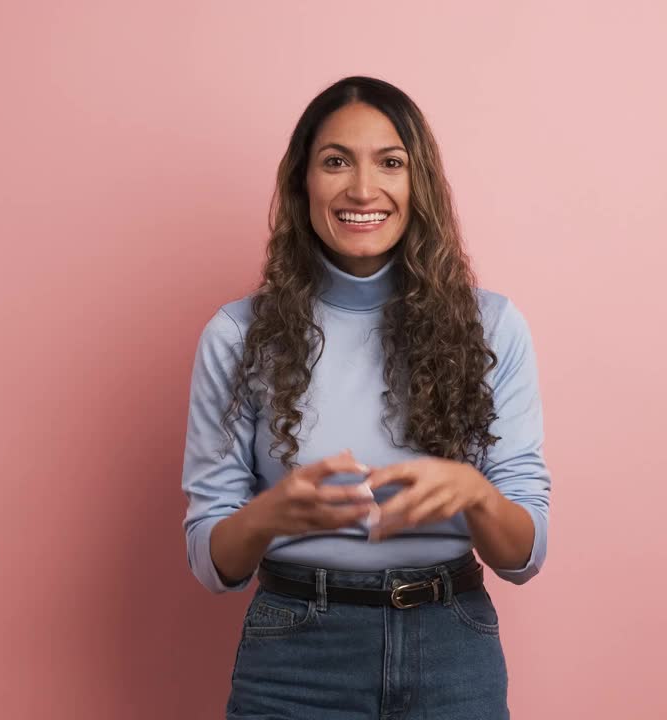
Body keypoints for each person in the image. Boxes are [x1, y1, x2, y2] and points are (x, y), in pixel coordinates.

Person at [181, 75, 551, 719]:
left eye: (390, 162)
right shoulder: (237, 336)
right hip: (295, 655)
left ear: (419, 184)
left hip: (451, 645)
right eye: (335, 162)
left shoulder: (492, 326)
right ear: (303, 183)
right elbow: (212, 560)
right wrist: (270, 514)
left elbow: (524, 555)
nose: (361, 189)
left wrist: (477, 495)